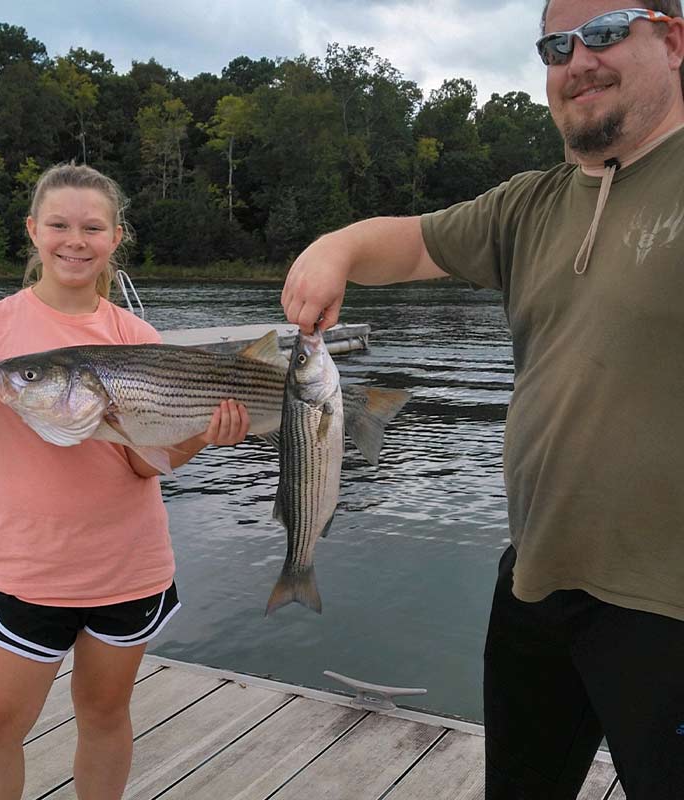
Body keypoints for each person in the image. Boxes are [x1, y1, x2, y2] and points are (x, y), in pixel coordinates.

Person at [281, 2, 684, 798]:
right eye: (555, 45)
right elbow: (410, 241)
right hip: (536, 581)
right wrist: (335, 249)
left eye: (604, 32)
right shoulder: (529, 205)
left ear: (673, 40)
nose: (577, 61)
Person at [0, 163, 250, 800]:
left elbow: (143, 464)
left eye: (91, 227)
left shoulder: (135, 337)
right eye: (58, 224)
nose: (73, 240)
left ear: (115, 237)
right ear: (33, 231)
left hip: (128, 568)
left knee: (105, 717)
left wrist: (197, 433)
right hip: (28, 568)